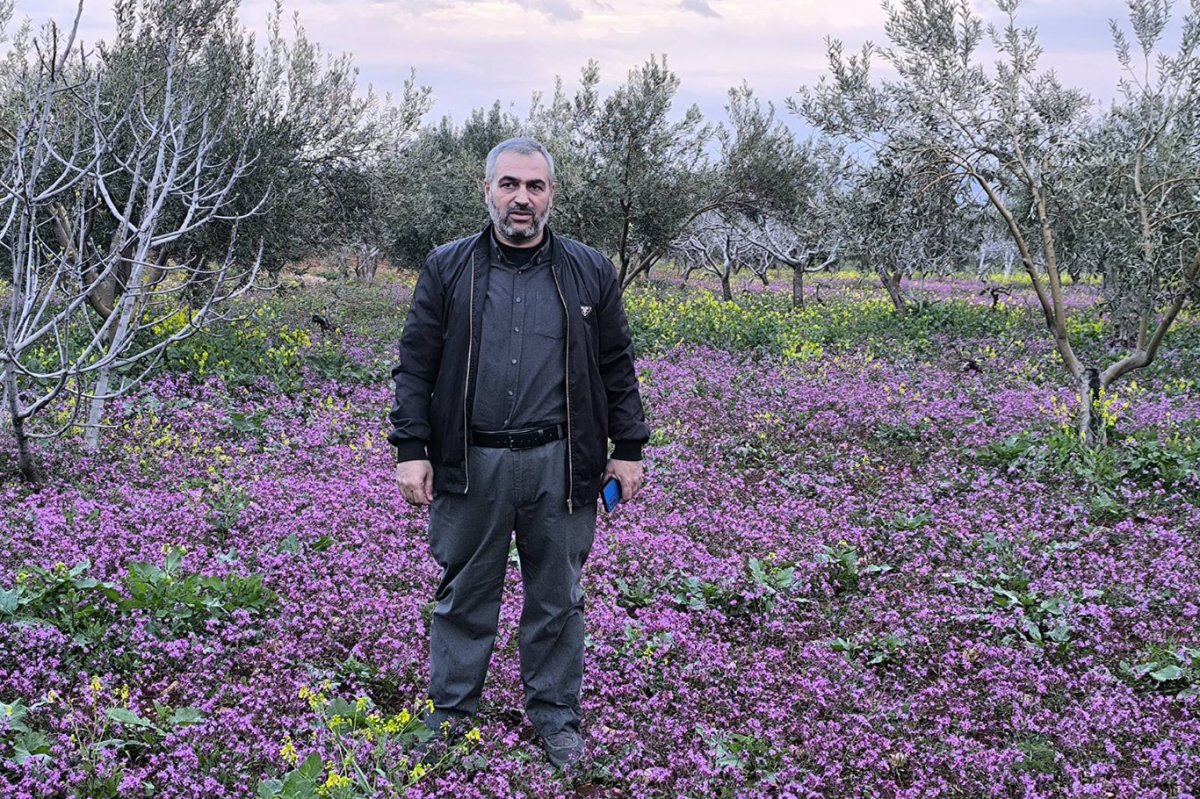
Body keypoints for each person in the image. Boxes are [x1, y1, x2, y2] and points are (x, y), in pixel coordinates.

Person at [388, 136, 649, 768]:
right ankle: (452, 714)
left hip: (560, 464)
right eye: (509, 185)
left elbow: (616, 364)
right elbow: (416, 364)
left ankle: (556, 718)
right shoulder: (448, 268)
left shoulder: (589, 270)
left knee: (557, 598)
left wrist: (630, 446)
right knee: (463, 594)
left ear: (551, 194)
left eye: (534, 187)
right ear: (487, 191)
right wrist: (411, 447)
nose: (522, 199)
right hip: (470, 463)